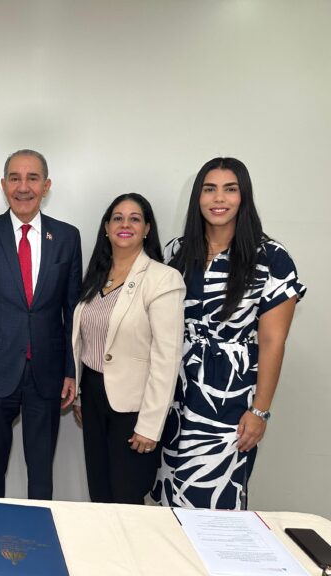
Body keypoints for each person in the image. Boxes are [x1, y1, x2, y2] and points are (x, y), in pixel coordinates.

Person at [152, 157, 306, 509]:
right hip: (172, 394)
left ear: (243, 197)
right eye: (209, 189)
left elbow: (272, 341)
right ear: (198, 197)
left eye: (230, 189)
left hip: (229, 399)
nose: (218, 198)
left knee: (215, 502)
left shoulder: (271, 258)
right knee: (167, 503)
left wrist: (260, 411)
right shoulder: (176, 252)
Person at [0, 149, 82, 500]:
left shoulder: (67, 237)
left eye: (32, 178)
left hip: (48, 372)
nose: (23, 186)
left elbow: (72, 311)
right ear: (3, 184)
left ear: (46, 185)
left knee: (41, 472)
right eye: (15, 178)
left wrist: (71, 371)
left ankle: (39, 540)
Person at [71, 193, 185, 504]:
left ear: (147, 228)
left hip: (133, 407)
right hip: (93, 396)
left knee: (126, 497)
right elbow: (86, 342)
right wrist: (81, 395)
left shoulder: (163, 279)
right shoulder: (96, 276)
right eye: (117, 218)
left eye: (134, 218)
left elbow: (167, 357)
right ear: (106, 227)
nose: (125, 224)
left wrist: (150, 425)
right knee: (100, 491)